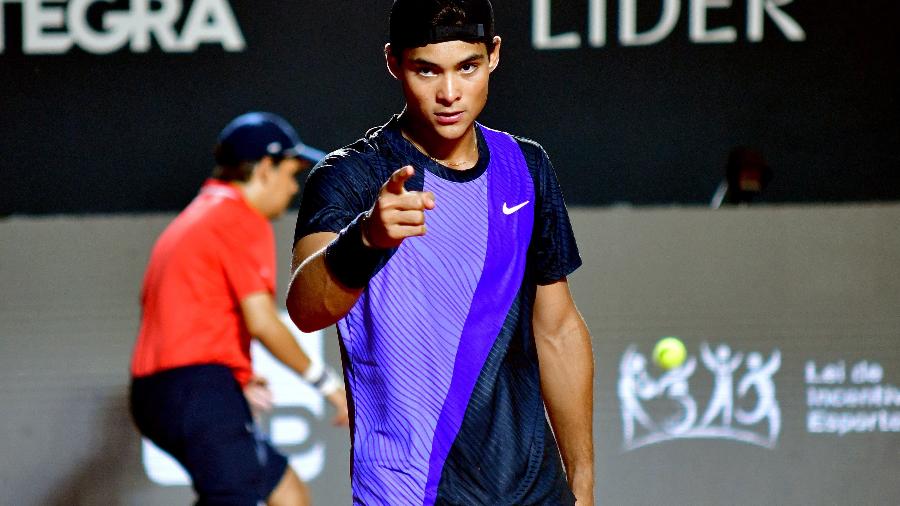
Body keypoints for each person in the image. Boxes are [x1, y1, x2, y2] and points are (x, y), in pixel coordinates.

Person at [286, 1, 595, 504]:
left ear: (494, 55)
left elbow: (557, 329)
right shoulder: (350, 177)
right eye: (426, 70)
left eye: (467, 67)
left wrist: (581, 481)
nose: (449, 93)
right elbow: (305, 308)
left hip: (534, 491)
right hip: (409, 489)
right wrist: (366, 239)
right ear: (393, 63)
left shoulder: (525, 166)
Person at [130, 112, 349, 506]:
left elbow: (185, 311)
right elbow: (262, 322)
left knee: (287, 493)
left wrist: (234, 376)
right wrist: (329, 387)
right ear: (265, 168)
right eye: (290, 173)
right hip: (195, 390)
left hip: (171, 392)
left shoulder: (203, 213)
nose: (292, 188)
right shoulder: (238, 217)